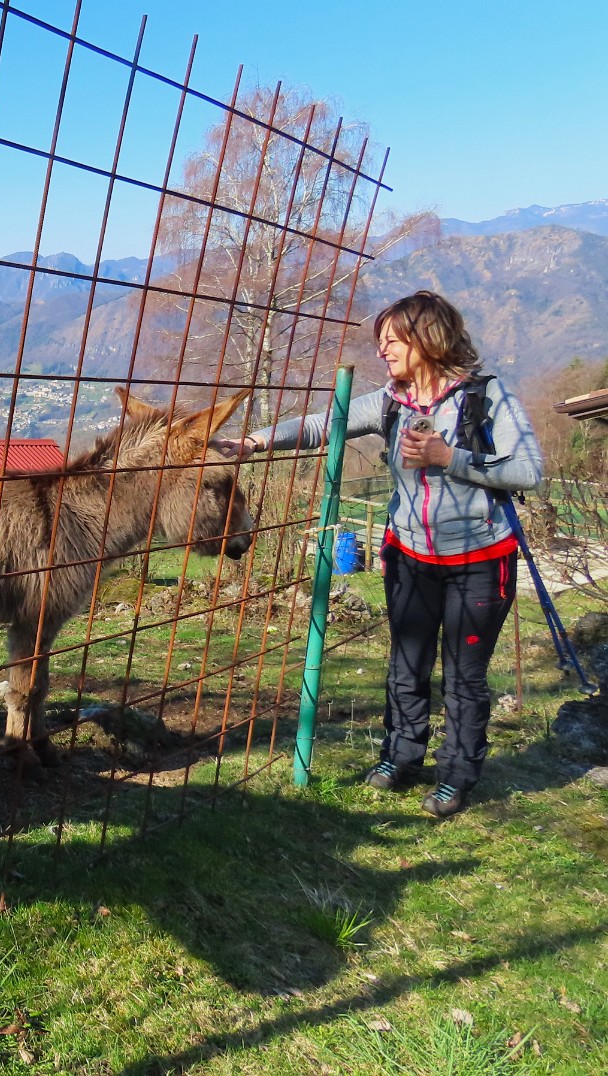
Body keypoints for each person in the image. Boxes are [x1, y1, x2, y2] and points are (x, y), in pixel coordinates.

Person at [216, 291, 543, 818]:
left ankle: (456, 775)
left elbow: (528, 471)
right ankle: (401, 757)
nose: (382, 352)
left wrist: (448, 457)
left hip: (482, 560)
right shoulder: (392, 401)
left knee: (464, 674)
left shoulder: (486, 397)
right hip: (410, 556)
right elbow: (325, 423)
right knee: (407, 663)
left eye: (391, 341)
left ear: (426, 339)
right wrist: (254, 443)